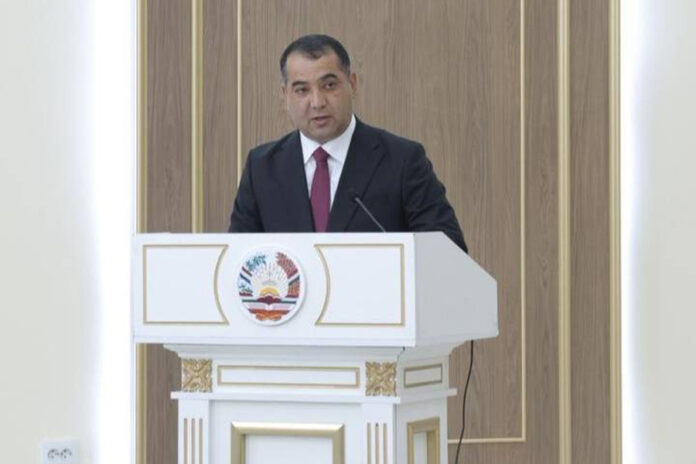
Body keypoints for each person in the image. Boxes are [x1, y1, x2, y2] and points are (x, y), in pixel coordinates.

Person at [229, 34, 467, 252]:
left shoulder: (402, 160)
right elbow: (237, 261)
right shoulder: (262, 168)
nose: (317, 102)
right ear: (285, 95)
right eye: (302, 90)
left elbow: (448, 251)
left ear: (352, 83)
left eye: (329, 85)